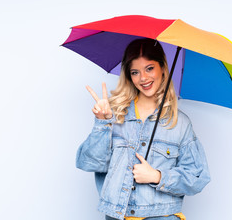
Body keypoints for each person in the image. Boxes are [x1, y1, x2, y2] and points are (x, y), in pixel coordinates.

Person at [76, 38, 210, 220]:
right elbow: (88, 163)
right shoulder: (114, 115)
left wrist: (157, 176)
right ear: (129, 76)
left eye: (149, 68)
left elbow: (197, 176)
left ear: (162, 68)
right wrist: (102, 122)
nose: (143, 78)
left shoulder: (180, 123)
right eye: (135, 72)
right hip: (118, 216)